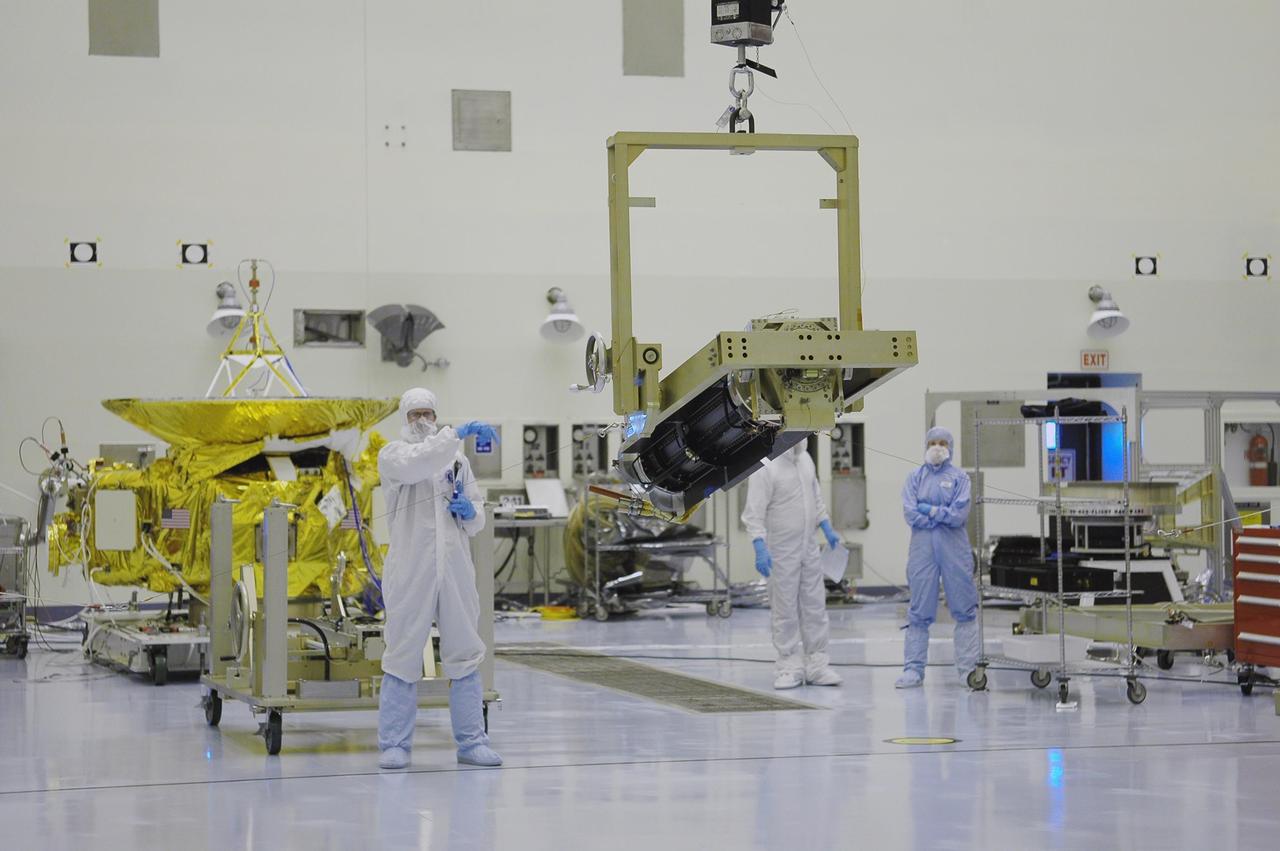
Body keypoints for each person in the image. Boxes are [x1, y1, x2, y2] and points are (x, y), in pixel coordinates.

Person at [376, 387, 502, 769]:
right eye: (415, 414)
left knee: (465, 648)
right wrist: (456, 433)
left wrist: (468, 511)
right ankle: (395, 743)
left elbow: (477, 516)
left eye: (428, 413)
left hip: (454, 567)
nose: (423, 421)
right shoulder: (394, 455)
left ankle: (471, 742)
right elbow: (420, 463)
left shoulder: (457, 462)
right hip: (411, 569)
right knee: (403, 651)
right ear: (405, 418)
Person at [742, 440, 845, 690]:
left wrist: (827, 528)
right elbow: (753, 513)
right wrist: (759, 546)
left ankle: (817, 664)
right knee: (784, 607)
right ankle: (788, 665)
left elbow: (816, 498)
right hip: (781, 550)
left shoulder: (805, 459)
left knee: (814, 605)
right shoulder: (766, 466)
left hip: (808, 546)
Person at [896, 427, 980, 688]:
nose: (936, 447)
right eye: (932, 442)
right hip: (922, 553)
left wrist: (930, 511)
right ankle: (913, 669)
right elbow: (910, 513)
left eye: (942, 443)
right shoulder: (914, 478)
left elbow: (959, 515)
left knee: (964, 609)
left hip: (954, 551)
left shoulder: (960, 479)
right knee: (919, 610)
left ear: (950, 447)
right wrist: (940, 515)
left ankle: (968, 669)